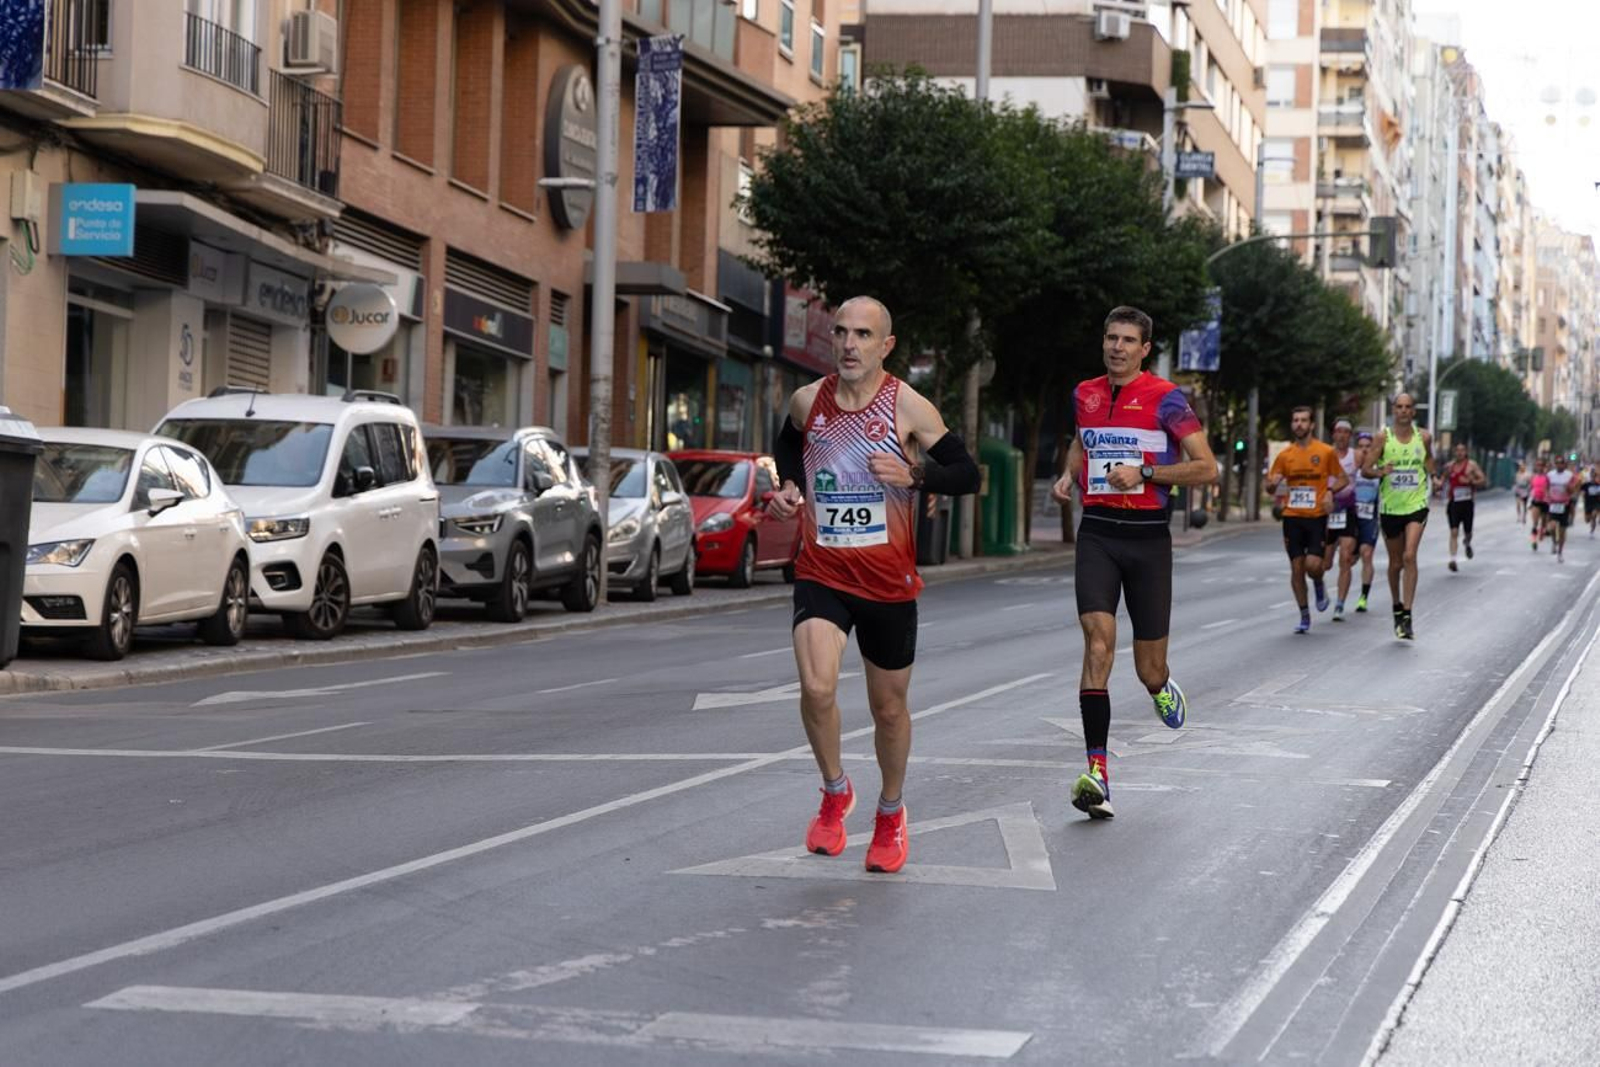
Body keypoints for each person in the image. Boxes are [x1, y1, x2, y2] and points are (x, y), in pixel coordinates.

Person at [768, 296, 981, 874]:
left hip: (888, 581)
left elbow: (967, 472)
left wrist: (915, 473)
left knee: (888, 711)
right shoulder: (808, 400)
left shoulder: (908, 408)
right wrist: (790, 486)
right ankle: (835, 792)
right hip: (823, 571)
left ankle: (890, 811)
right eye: (840, 332)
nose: (849, 344)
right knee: (816, 688)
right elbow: (788, 441)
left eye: (863, 334)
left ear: (885, 345)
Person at [1051, 306, 1218, 820]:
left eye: (1127, 340)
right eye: (1110, 338)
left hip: (1148, 540)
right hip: (1098, 533)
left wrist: (1146, 472)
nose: (1117, 347)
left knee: (1147, 668)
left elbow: (1206, 467)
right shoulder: (1085, 393)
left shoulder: (1168, 399)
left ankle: (1161, 687)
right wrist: (1066, 474)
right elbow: (1083, 441)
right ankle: (1097, 771)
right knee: (1098, 639)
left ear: (1145, 349)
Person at [1266, 407, 1348, 633]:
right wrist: (1271, 485)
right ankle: (1304, 615)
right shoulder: (1285, 455)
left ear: (1311, 425)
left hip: (1316, 517)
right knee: (1296, 568)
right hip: (1292, 517)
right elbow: (1271, 485)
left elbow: (1343, 478)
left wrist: (1330, 491)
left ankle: (1319, 582)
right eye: (1295, 421)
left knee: (1313, 565)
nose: (1299, 424)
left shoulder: (1325, 452)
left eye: (1303, 420)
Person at [1362, 393, 1433, 640]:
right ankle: (1396, 605)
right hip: (1391, 508)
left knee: (1409, 555)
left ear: (1414, 411)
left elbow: (1429, 461)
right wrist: (1382, 471)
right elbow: (1365, 469)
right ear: (1394, 410)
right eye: (1399, 407)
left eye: (1408, 407)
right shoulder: (1383, 437)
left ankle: (1408, 614)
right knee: (1395, 564)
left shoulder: (1424, 437)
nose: (1403, 411)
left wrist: (1438, 476)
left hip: (1416, 504)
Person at [1323, 418, 1362, 620]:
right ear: (1333, 434)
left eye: (1346, 432)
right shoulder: (1325, 454)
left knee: (1345, 558)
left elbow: (1372, 466)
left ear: (1350, 435)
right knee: (1325, 563)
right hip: (1328, 512)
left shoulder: (1356, 456)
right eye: (1338, 431)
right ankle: (1321, 586)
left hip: (1347, 510)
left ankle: (1339, 604)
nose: (1342, 435)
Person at [1348, 431, 1382, 613]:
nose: (1364, 450)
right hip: (1352, 519)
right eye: (1360, 446)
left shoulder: (1378, 469)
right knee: (1349, 559)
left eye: (1368, 446)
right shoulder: (1351, 469)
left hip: (1370, 518)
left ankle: (1363, 597)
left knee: (1366, 553)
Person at [1439, 442, 1487, 572]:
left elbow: (1483, 480)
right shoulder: (1449, 466)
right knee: (1454, 531)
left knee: (1468, 532)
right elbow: (1442, 481)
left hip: (1467, 503)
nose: (1459, 453)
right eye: (1457, 450)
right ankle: (1453, 559)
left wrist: (1471, 481)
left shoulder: (1472, 466)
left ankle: (1467, 543)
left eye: (1462, 450)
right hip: (1454, 502)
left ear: (1466, 452)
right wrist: (1438, 484)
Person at [1545, 453, 1577, 563]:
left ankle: (1560, 552)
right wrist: (1547, 496)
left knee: (1562, 531)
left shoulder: (1569, 476)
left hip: (1564, 504)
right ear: (1555, 464)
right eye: (1557, 463)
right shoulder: (1550, 475)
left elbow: (1573, 490)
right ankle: (1554, 541)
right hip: (1553, 504)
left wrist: (1569, 488)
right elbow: (1546, 487)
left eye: (1561, 463)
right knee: (1552, 527)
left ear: (1565, 465)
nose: (1559, 465)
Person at [1529, 457, 1549, 551]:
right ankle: (1533, 541)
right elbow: (1531, 489)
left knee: (1544, 523)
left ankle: (1542, 531)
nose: (1540, 467)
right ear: (1536, 466)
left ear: (1544, 467)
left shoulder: (1547, 477)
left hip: (1545, 502)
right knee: (1535, 523)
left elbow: (1549, 489)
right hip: (1536, 502)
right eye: (1538, 465)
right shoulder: (1533, 477)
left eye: (1541, 465)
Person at [1584, 464, 1600, 537]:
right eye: (1592, 476)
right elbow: (1580, 490)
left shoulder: (1598, 485)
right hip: (1588, 503)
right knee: (1587, 520)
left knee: (1594, 515)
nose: (1593, 478)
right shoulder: (1586, 484)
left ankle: (1592, 531)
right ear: (1590, 477)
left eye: (1594, 476)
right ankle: (1590, 521)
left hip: (1596, 503)